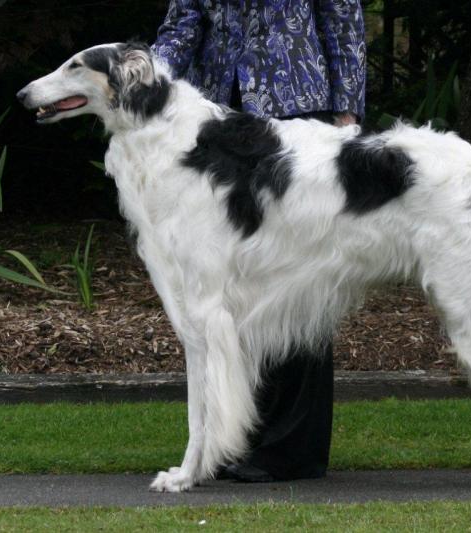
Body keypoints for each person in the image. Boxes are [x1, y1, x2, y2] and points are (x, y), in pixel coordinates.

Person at [151, 0, 366, 482]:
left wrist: (347, 112)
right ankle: (235, 442)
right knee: (234, 290)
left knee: (298, 281)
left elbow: (342, 19)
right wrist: (143, 79)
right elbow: (183, 24)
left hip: (297, 119)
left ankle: (291, 451)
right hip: (217, 124)